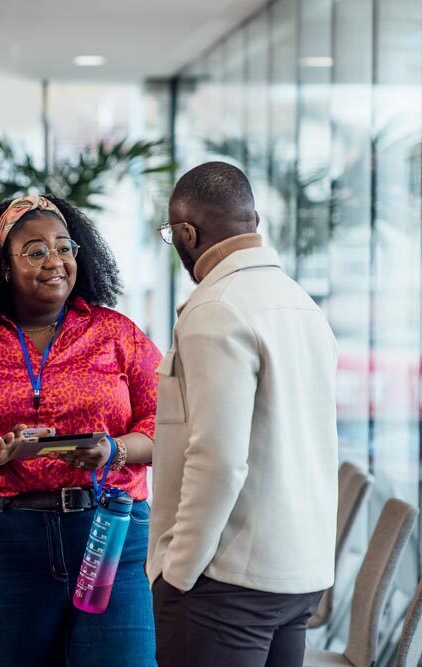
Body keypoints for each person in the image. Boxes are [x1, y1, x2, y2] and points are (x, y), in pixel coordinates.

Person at [0, 195, 162, 667]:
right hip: (8, 539)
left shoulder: (118, 333)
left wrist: (113, 450)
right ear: (3, 268)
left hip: (109, 529)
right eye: (35, 251)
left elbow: (167, 423)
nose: (55, 261)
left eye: (64, 247)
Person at [147, 162, 338, 666]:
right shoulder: (301, 304)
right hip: (297, 574)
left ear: (187, 234)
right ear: (253, 220)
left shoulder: (217, 309)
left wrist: (177, 570)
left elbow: (217, 458)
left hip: (226, 580)